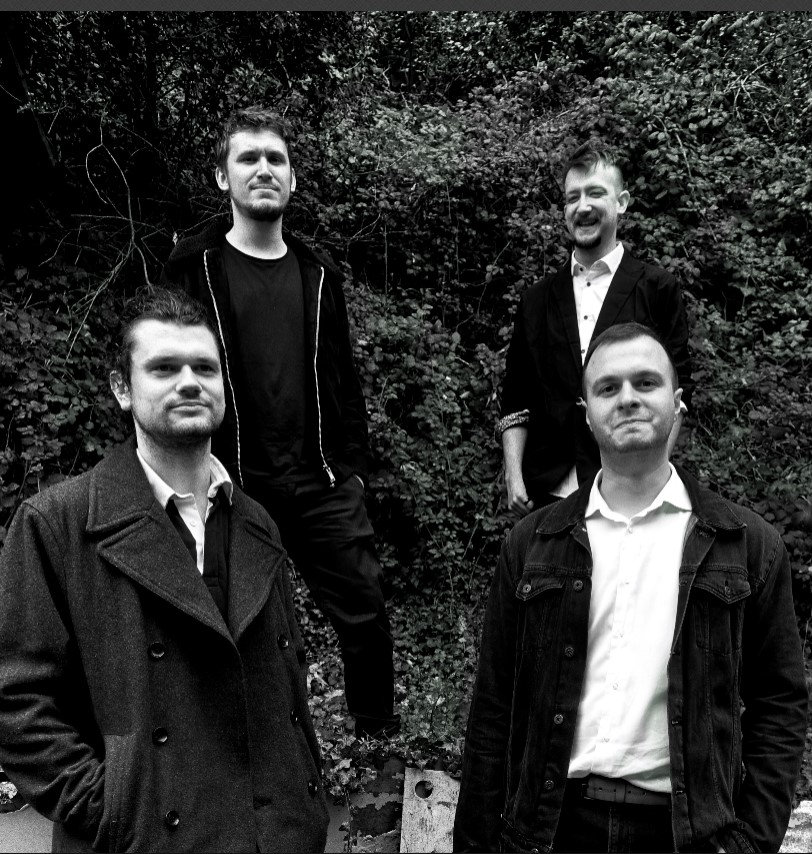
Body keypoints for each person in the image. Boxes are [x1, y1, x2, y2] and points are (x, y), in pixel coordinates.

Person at [454, 322, 808, 854]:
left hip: (685, 836)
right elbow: (492, 708)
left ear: (677, 402)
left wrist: (751, 843)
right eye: (608, 387)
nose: (627, 399)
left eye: (646, 382)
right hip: (551, 832)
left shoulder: (746, 544)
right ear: (586, 413)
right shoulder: (533, 543)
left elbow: (779, 706)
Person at [0, 289, 329, 853]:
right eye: (164, 368)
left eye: (205, 367)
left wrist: (305, 804)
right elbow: (16, 700)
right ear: (122, 389)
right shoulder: (57, 523)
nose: (189, 382)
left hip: (275, 838)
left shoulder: (258, 524)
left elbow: (286, 687)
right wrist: (116, 812)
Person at [161, 106, 398, 739]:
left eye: (276, 158)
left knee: (366, 614)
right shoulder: (194, 268)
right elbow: (170, 366)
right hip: (231, 482)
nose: (263, 169)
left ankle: (376, 740)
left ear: (291, 178)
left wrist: (352, 472)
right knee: (229, 624)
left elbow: (343, 378)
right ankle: (235, 749)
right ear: (224, 177)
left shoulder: (319, 274)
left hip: (321, 482)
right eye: (248, 158)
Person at [499, 141, 695, 516]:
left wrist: (653, 477)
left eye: (595, 193)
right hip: (546, 496)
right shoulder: (536, 300)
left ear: (621, 203)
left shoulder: (657, 289)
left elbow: (677, 392)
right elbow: (517, 397)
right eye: (572, 198)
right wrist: (514, 477)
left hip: (631, 492)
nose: (583, 206)